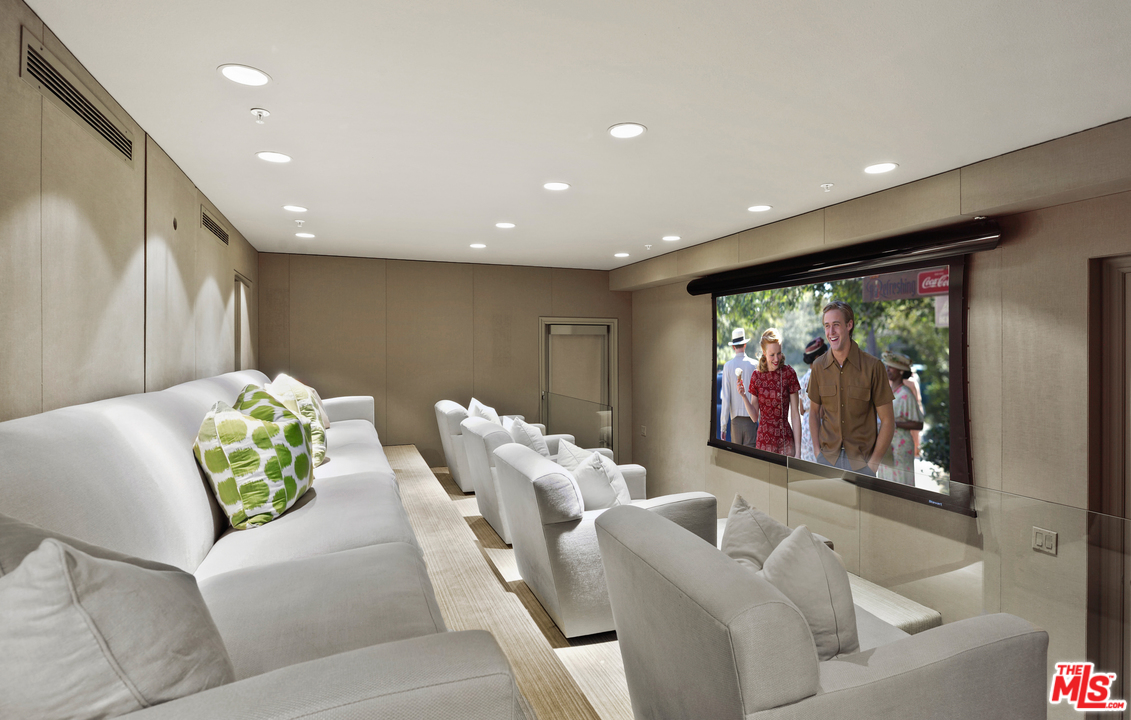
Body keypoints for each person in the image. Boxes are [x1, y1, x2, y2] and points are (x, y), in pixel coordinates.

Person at [807, 301, 895, 476]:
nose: (831, 332)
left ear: (849, 325)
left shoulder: (873, 367)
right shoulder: (818, 367)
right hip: (827, 461)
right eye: (827, 326)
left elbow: (888, 421)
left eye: (836, 325)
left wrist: (872, 466)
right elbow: (814, 413)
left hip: (862, 465)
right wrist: (818, 453)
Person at [737, 328, 801, 457]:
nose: (776, 359)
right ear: (764, 353)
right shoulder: (756, 376)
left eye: (779, 353)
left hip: (786, 444)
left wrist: (798, 452)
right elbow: (754, 417)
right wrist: (743, 396)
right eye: (772, 355)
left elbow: (795, 414)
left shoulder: (789, 373)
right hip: (764, 444)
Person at [877, 351, 924, 485]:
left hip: (900, 447)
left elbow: (918, 424)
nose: (887, 370)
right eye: (887, 367)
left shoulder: (906, 394)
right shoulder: (888, 391)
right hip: (886, 445)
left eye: (891, 367)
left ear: (901, 371)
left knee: (899, 482)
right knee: (886, 482)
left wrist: (893, 423)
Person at [719, 328, 759, 445]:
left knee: (736, 455)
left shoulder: (727, 366)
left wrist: (723, 427)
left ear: (733, 347)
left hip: (735, 422)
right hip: (751, 420)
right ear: (745, 344)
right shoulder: (755, 365)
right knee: (750, 454)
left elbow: (726, 399)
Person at [798, 337, 828, 463]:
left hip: (805, 427)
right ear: (817, 358)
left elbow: (801, 410)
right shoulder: (821, 377)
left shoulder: (803, 379)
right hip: (818, 425)